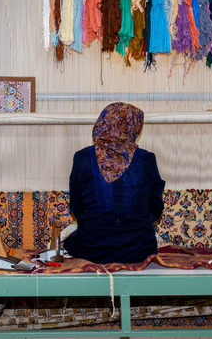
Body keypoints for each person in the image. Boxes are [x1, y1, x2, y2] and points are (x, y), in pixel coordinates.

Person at [63, 102, 165, 264]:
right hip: (139, 251)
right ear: (134, 127)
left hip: (91, 250)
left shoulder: (82, 158)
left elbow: (77, 207)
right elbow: (156, 208)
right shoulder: (147, 159)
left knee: (69, 240)